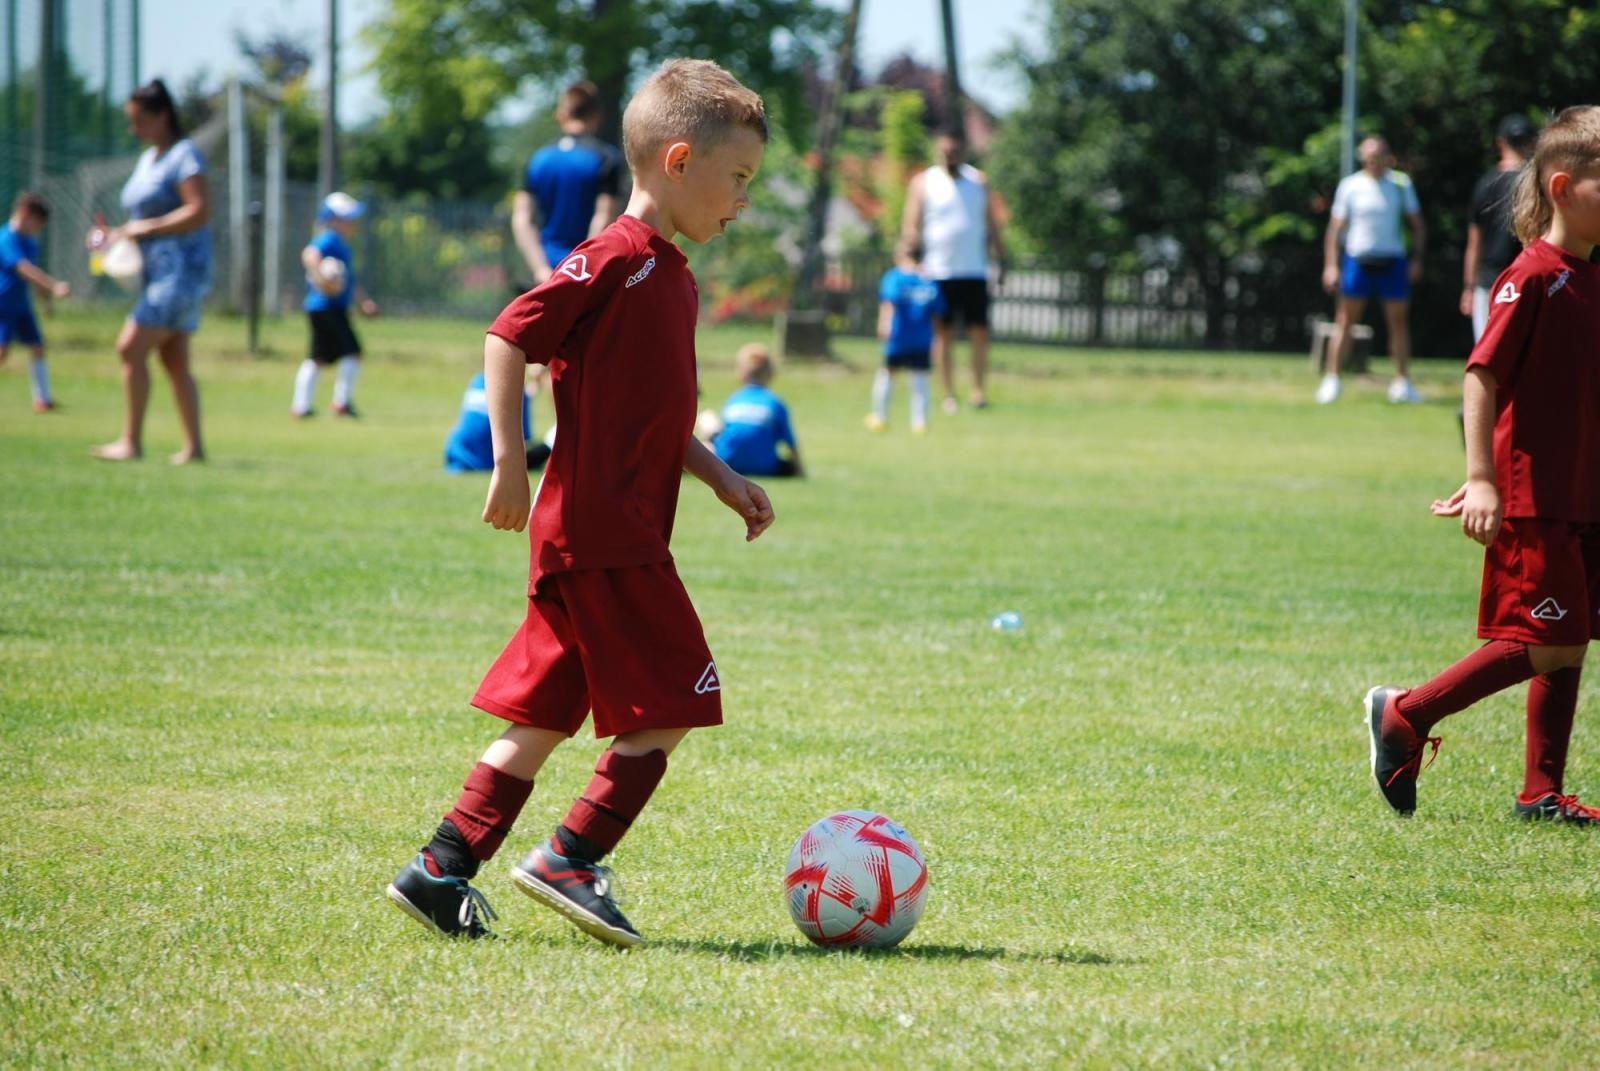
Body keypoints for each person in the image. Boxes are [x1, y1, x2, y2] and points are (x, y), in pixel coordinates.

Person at [386, 58, 775, 942]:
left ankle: (440, 867)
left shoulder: (672, 274)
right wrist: (509, 463)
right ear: (679, 161)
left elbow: (656, 415)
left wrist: (721, 477)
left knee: (544, 713)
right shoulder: (615, 258)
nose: (743, 200)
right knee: (678, 698)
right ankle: (571, 856)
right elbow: (507, 335)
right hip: (606, 532)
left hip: (597, 533)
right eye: (738, 178)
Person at [1365, 106, 1600, 825]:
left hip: (1584, 491)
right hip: (1536, 493)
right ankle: (1408, 713)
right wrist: (1481, 478)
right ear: (1562, 187)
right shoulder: (1530, 276)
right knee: (1552, 636)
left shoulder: (1590, 278)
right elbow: (1480, 375)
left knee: (1571, 636)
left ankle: (1541, 792)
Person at [90, 79, 211, 463]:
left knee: (130, 347)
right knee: (174, 359)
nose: (134, 129)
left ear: (163, 116)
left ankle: (131, 442)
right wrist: (113, 236)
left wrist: (144, 228)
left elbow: (199, 210)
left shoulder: (184, 156)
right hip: (156, 273)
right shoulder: (148, 159)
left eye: (140, 119)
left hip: (180, 273)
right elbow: (138, 221)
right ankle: (193, 448)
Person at [900, 125, 1006, 413]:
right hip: (938, 271)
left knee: (979, 332)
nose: (950, 156)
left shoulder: (978, 181)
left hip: (974, 270)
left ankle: (978, 391)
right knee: (943, 334)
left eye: (954, 151)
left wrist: (1001, 257)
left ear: (962, 151)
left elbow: (992, 223)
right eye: (945, 151)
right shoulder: (924, 182)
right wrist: (910, 259)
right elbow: (911, 225)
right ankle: (948, 394)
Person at [1317, 135, 1426, 405]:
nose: (1372, 162)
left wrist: (1416, 259)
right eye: (1368, 157)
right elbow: (1334, 229)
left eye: (1377, 157)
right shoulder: (1350, 186)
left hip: (1392, 261)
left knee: (1398, 323)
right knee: (1345, 320)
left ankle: (1402, 382)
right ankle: (1332, 379)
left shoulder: (1400, 184)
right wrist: (1331, 265)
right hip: (1358, 260)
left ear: (1387, 157)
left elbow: (1417, 225)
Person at [510, 80, 625, 289]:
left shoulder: (537, 159)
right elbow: (604, 217)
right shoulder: (607, 159)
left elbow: (522, 219)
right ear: (597, 116)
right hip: (585, 275)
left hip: (546, 274)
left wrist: (541, 269)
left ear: (561, 115)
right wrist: (583, 267)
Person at [291, 192, 379, 419]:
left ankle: (302, 406)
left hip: (328, 308)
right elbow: (309, 255)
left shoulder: (341, 244)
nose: (352, 223)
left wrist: (363, 302)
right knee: (352, 352)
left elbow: (348, 282)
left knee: (319, 357)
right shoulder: (329, 239)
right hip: (325, 307)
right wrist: (322, 280)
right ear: (332, 219)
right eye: (347, 218)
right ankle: (341, 403)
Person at [1462, 115, 1539, 342]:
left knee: (1487, 347)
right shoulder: (1536, 184)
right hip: (1528, 278)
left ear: (1501, 143)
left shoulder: (1485, 184)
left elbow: (1474, 243)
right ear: (1532, 142)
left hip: (1489, 280)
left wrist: (1469, 287)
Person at [0, 192, 71, 412]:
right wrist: (54, 286)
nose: (39, 228)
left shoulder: (30, 243)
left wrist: (45, 301)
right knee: (2, 352)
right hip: (3, 304)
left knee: (37, 347)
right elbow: (24, 269)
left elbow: (33, 277)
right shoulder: (6, 238)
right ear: (24, 213)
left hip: (22, 305)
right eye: (37, 222)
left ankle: (43, 399)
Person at [867, 244, 944, 434]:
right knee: (920, 379)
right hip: (922, 339)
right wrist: (936, 339)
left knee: (888, 374)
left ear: (901, 255)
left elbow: (889, 303)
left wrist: (883, 324)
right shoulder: (928, 280)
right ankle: (920, 423)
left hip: (898, 337)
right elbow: (937, 314)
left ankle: (880, 417)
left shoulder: (895, 277)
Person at [713, 343, 803, 477]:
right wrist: (800, 471)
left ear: (740, 374)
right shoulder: (774, 402)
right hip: (766, 467)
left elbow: (726, 435)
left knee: (708, 419)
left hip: (729, 464)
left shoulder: (734, 399)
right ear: (771, 374)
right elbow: (790, 443)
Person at [443, 368, 551, 474]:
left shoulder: (477, 381)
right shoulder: (517, 391)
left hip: (455, 450)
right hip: (484, 459)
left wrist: (535, 384)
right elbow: (523, 438)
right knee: (546, 447)